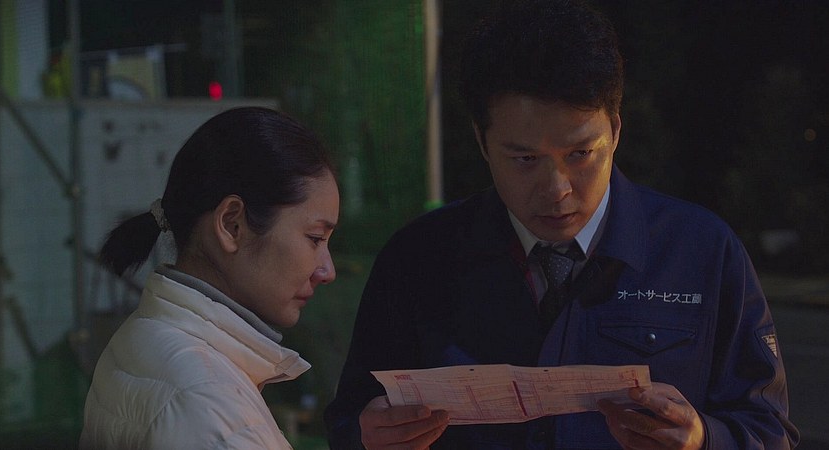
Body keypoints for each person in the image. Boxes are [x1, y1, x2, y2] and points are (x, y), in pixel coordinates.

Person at [324, 1, 799, 449]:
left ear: (615, 130)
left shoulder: (701, 251)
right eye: (525, 159)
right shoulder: (418, 258)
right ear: (482, 142)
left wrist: (704, 438)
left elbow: (769, 430)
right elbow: (350, 418)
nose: (557, 189)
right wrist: (366, 436)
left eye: (580, 154)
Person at [79, 106, 340, 450]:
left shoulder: (143, 336)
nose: (327, 271)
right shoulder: (210, 409)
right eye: (315, 238)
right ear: (232, 225)